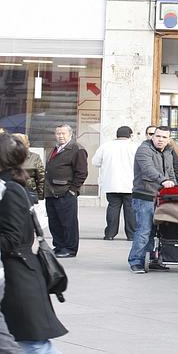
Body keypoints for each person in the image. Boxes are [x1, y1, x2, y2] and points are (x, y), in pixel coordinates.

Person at [0, 133, 67, 353]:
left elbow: (13, 237)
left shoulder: (10, 190)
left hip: (18, 274)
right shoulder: (9, 186)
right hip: (17, 272)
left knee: (33, 344)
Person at [128, 126, 176, 273]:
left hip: (161, 198)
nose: (160, 140)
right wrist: (163, 181)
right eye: (158, 136)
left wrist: (174, 188)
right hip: (144, 196)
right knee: (144, 230)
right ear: (152, 137)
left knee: (156, 231)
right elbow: (148, 169)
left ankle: (150, 259)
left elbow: (170, 171)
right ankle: (136, 261)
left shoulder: (168, 152)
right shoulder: (144, 150)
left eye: (164, 137)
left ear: (168, 139)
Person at [45, 124, 88, 258]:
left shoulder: (77, 149)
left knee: (68, 222)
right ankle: (59, 246)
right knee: (54, 222)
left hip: (65, 192)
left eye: (63, 133)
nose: (60, 136)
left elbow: (81, 172)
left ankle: (69, 248)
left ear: (70, 134)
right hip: (51, 192)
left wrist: (72, 190)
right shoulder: (56, 149)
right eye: (58, 133)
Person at [91, 126, 138, 241]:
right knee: (130, 209)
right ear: (130, 135)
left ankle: (110, 234)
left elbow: (95, 162)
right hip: (130, 184)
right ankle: (131, 234)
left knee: (113, 208)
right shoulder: (135, 147)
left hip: (111, 183)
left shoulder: (106, 146)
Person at [13, 133, 45, 200]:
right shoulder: (8, 157)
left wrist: (40, 196)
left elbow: (41, 178)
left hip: (30, 192)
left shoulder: (35, 157)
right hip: (11, 192)